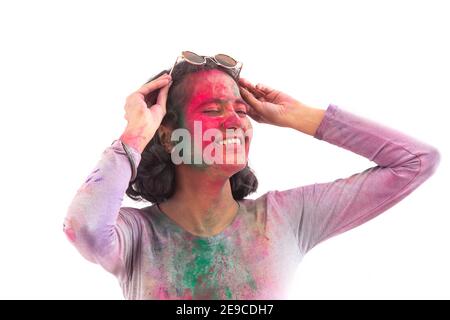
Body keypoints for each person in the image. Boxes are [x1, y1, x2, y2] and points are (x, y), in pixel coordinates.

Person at [63, 51, 441, 300]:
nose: (234, 121)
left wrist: (298, 116)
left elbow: (416, 162)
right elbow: (83, 229)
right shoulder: (135, 235)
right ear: (167, 131)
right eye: (213, 110)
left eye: (241, 110)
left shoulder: (287, 218)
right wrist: (135, 134)